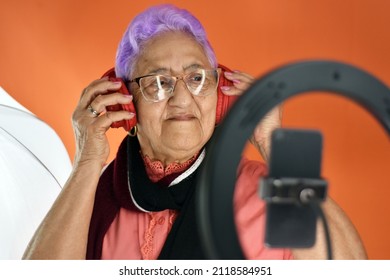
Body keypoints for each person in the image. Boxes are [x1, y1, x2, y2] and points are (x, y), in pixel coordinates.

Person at [23, 4, 366, 260]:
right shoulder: (95, 200)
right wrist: (86, 161)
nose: (182, 98)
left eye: (197, 77)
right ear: (127, 103)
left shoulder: (271, 190)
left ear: (219, 97)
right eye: (158, 83)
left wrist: (272, 144)